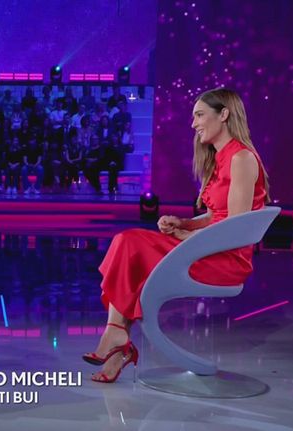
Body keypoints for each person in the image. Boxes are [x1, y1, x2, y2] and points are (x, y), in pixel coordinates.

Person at [83, 88, 270, 383]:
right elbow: (216, 216)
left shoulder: (241, 158)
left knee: (128, 243)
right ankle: (118, 343)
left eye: (199, 115)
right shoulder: (219, 158)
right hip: (205, 248)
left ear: (223, 114)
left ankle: (116, 335)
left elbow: (234, 229)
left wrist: (188, 240)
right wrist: (184, 224)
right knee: (128, 250)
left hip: (224, 260)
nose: (193, 124)